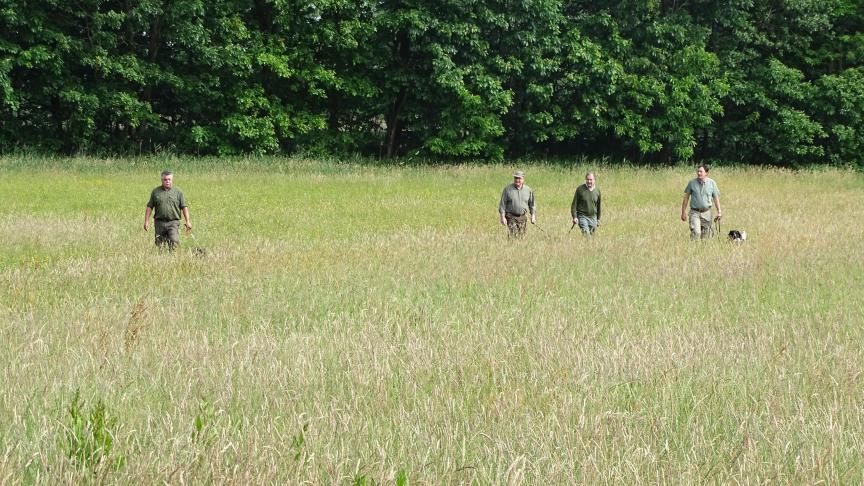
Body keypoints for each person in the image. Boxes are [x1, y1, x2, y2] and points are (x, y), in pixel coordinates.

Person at [144, 170, 192, 251]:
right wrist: (146, 221)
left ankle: (173, 257)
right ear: (161, 180)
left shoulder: (178, 192)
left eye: (169, 179)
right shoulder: (155, 192)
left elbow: (184, 207)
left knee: (174, 241)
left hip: (173, 222)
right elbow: (149, 207)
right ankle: (161, 259)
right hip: (159, 222)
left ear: (172, 180)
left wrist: (188, 221)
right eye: (165, 180)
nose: (167, 181)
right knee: (159, 244)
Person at [680, 164, 721, 240]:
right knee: (696, 232)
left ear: (706, 173)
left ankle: (702, 251)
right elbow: (686, 198)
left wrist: (719, 211)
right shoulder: (692, 183)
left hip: (707, 213)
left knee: (706, 236)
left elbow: (716, 198)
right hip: (694, 212)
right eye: (698, 171)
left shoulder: (712, 183)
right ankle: (693, 248)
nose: (699, 173)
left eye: (701, 171)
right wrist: (683, 212)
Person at [498, 170, 535, 238]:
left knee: (521, 236)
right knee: (513, 235)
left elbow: (532, 204)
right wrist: (502, 217)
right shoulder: (507, 189)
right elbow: (502, 205)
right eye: (515, 178)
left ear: (523, 179)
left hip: (522, 217)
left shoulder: (528, 190)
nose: (517, 180)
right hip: (511, 217)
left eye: (519, 178)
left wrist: (533, 215)